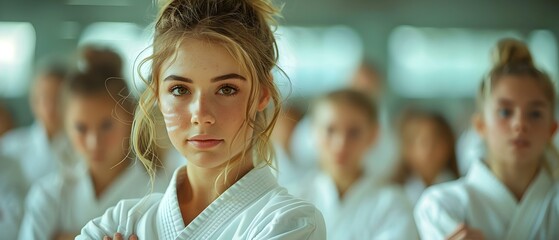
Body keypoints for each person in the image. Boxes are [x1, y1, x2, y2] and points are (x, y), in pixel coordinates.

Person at [77, 0, 326, 239]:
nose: (201, 115)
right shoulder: (118, 223)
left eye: (227, 89)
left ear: (262, 93)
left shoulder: (292, 223)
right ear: (157, 95)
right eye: (180, 90)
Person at [415, 38, 559, 240]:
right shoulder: (440, 205)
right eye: (505, 112)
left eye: (534, 114)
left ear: (552, 129)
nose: (520, 124)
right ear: (480, 126)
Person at [18, 65, 167, 240]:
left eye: (106, 126)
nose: (94, 142)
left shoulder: (160, 192)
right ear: (66, 126)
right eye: (81, 128)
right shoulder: (49, 195)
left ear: (130, 118)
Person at [291, 89, 417, 240]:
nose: (340, 144)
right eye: (330, 130)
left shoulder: (393, 204)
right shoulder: (292, 198)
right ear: (313, 132)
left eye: (354, 132)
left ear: (373, 135)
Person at [0, 58, 77, 190]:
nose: (51, 107)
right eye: (44, 97)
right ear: (33, 101)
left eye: (58, 98)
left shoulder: (81, 148)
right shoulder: (11, 146)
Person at [392, 109, 459, 205]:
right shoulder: (395, 192)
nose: (429, 150)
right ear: (407, 148)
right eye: (422, 142)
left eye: (436, 142)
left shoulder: (458, 189)